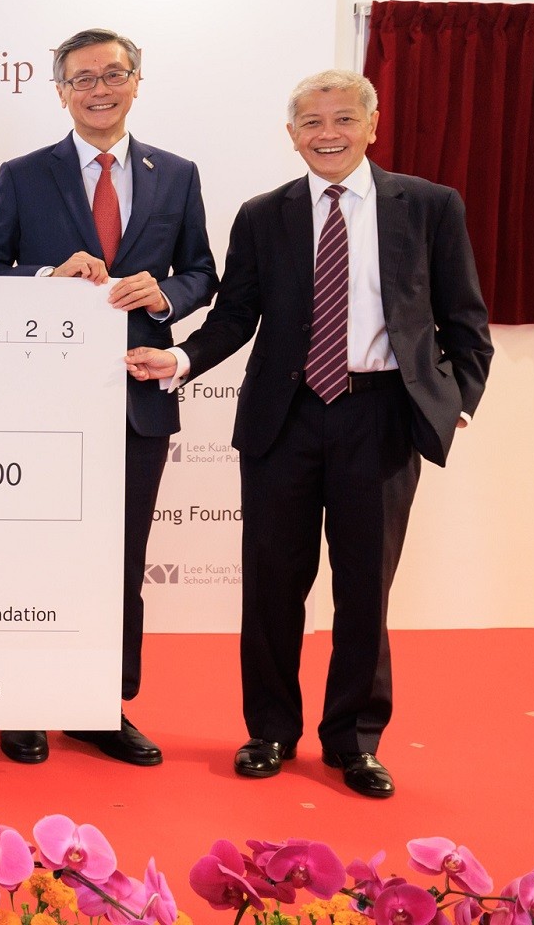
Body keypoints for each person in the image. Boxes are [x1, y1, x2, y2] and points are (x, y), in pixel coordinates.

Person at [126, 70, 492, 798]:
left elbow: (464, 318)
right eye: (312, 122)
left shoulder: (429, 205)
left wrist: (453, 401)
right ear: (291, 135)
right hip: (282, 420)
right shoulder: (265, 214)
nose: (329, 133)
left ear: (372, 125)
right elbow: (237, 314)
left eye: (344, 118)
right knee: (271, 586)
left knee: (365, 589)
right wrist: (182, 358)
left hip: (380, 416)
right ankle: (270, 730)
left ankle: (354, 741)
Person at [0, 27, 216, 768]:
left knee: (120, 560)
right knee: (33, 555)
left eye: (113, 74)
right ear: (61, 92)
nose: (99, 89)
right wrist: (48, 277)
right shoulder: (23, 174)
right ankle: (22, 700)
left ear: (136, 81)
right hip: (40, 406)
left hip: (138, 398)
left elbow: (202, 272)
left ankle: (102, 704)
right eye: (82, 78)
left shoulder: (177, 174)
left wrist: (165, 295)